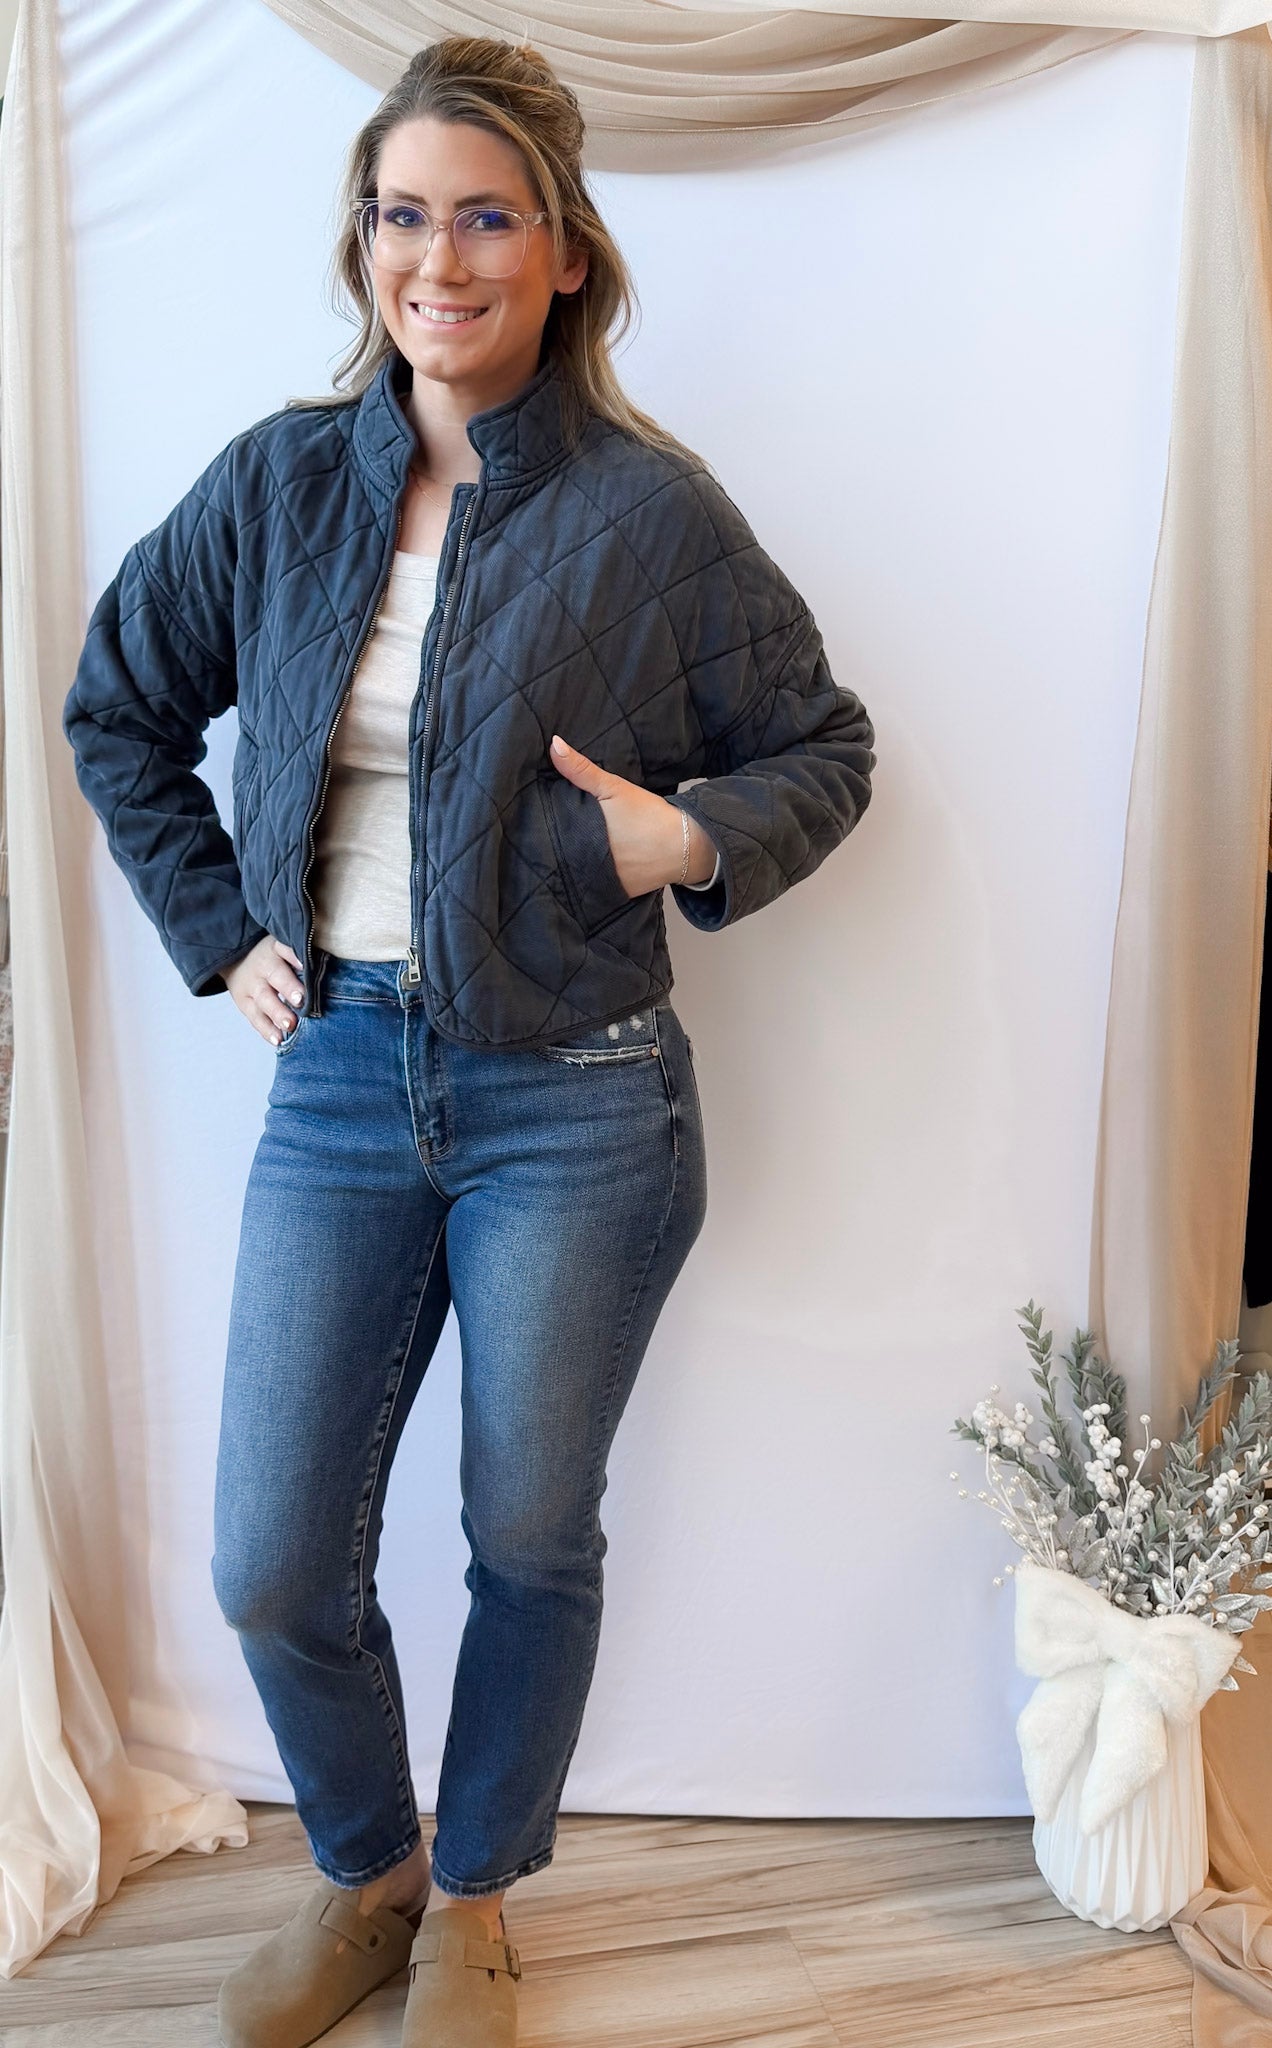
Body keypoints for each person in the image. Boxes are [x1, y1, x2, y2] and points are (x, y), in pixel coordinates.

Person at [61, 34, 875, 2048]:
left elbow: (823, 748)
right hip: (340, 1072)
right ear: (366, 243)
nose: (442, 259)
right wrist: (217, 933)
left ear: (566, 252)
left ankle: (479, 1909)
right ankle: (371, 1877)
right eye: (405, 216)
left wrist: (688, 836)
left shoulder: (653, 515)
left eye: (487, 218)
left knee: (526, 1532)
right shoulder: (278, 485)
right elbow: (118, 709)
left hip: (579, 1099)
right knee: (271, 1561)